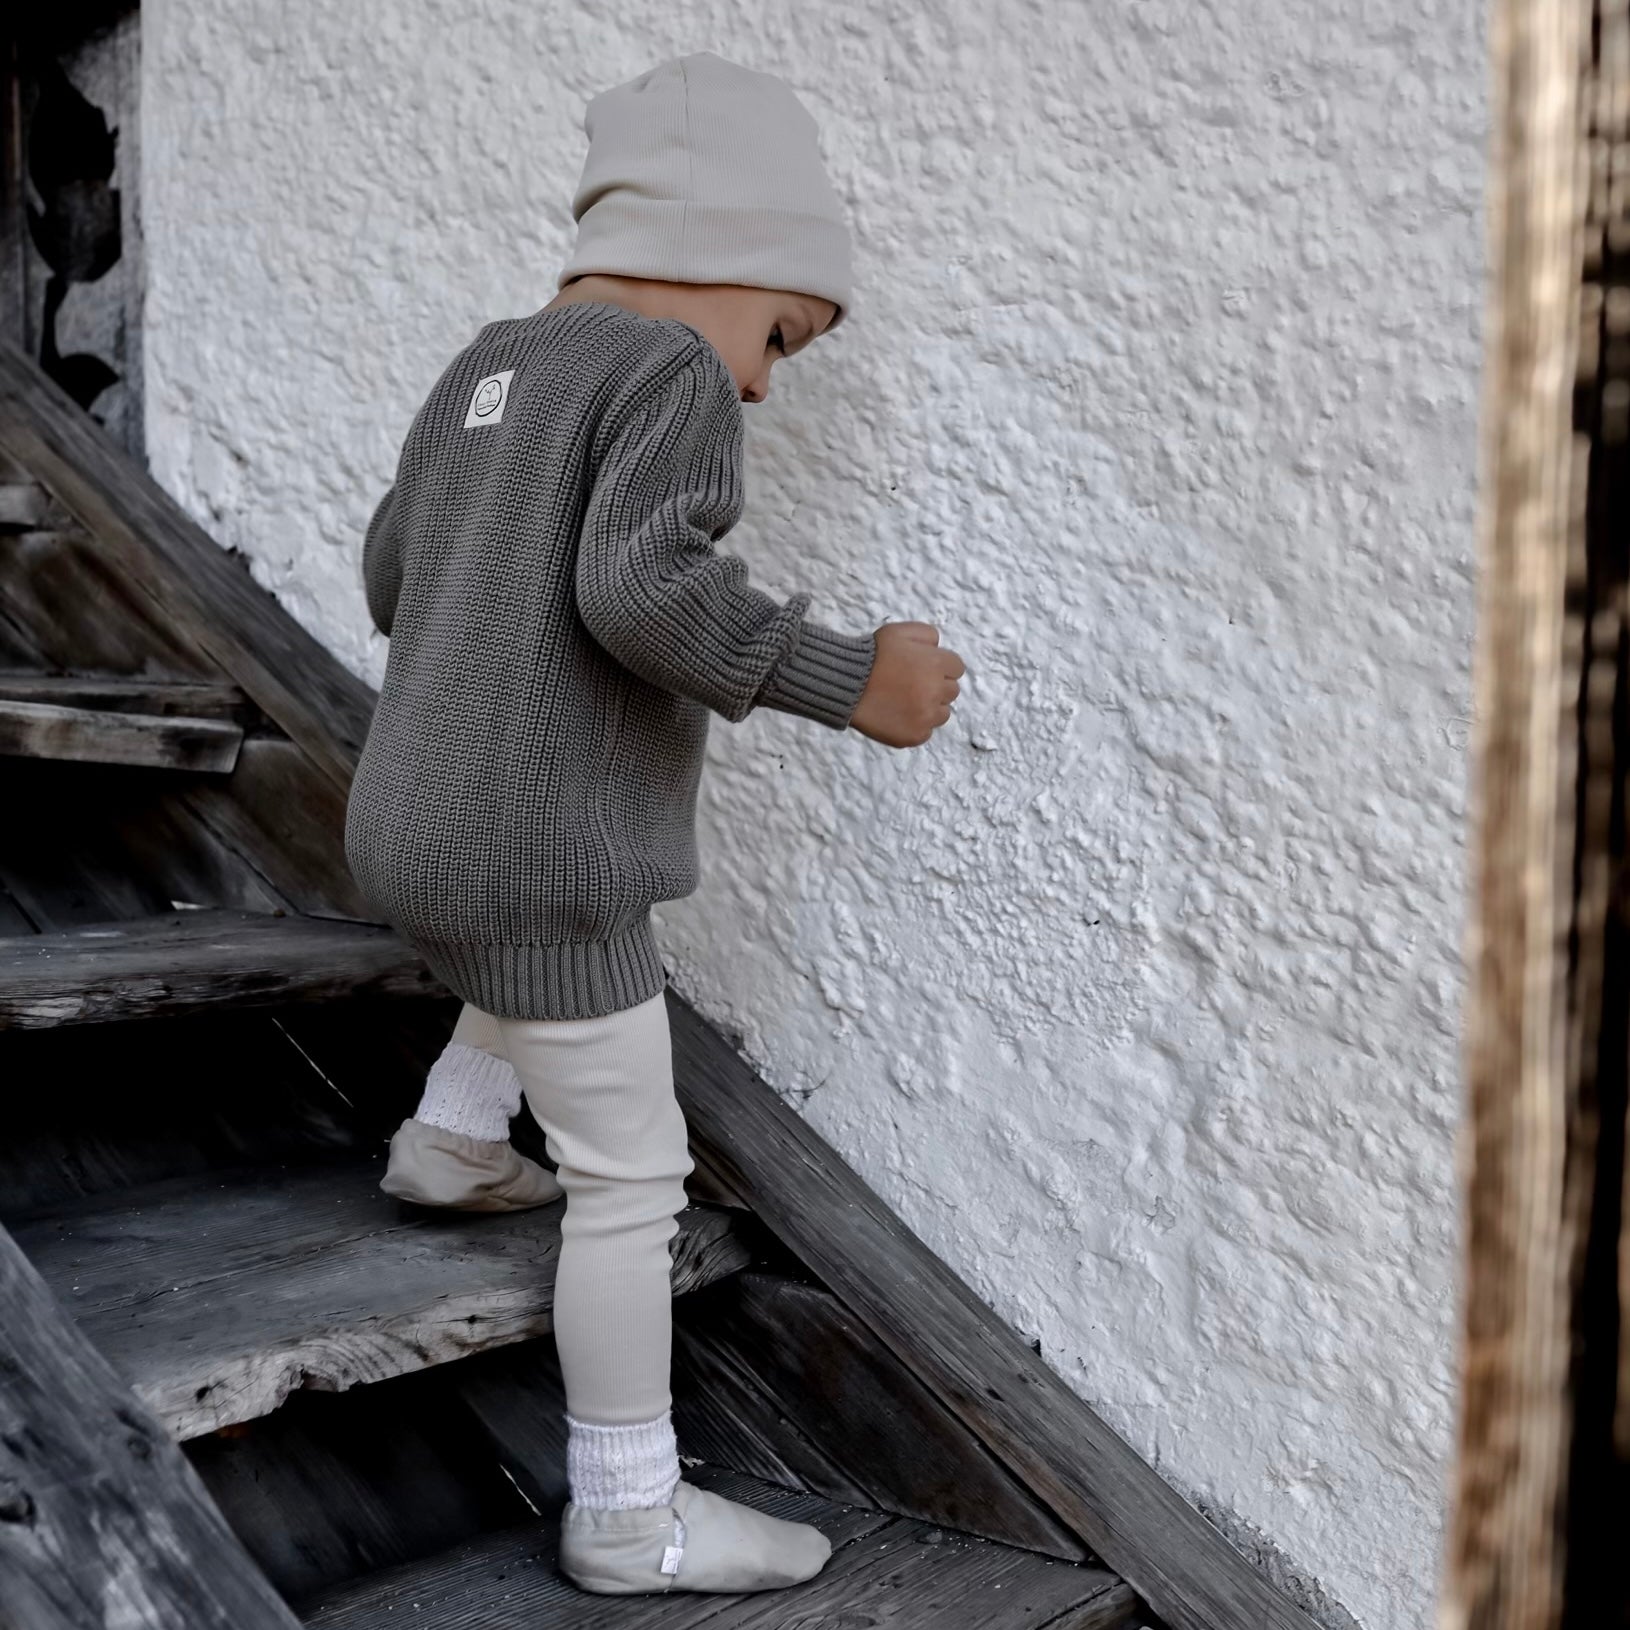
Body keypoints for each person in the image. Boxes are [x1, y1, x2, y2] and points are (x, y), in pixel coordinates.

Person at [343, 49, 964, 1596]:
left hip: (401, 824)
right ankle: (628, 1510)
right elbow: (642, 589)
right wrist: (852, 678)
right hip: (537, 856)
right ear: (721, 248)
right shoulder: (667, 373)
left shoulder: (485, 366)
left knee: (517, 944)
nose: (759, 382)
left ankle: (452, 1136)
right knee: (628, 1180)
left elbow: (386, 573)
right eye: (782, 335)